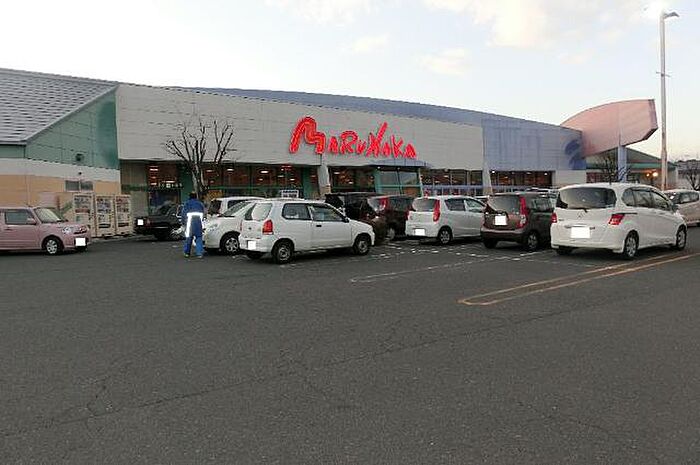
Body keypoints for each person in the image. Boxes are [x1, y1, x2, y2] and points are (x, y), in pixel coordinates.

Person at [181, 192, 205, 258]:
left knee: (189, 238)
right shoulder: (200, 204)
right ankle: (199, 253)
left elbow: (183, 214)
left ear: (190, 196)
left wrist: (183, 223)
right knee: (199, 238)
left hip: (189, 223)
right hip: (198, 222)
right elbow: (203, 213)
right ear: (196, 196)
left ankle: (187, 253)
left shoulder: (187, 203)